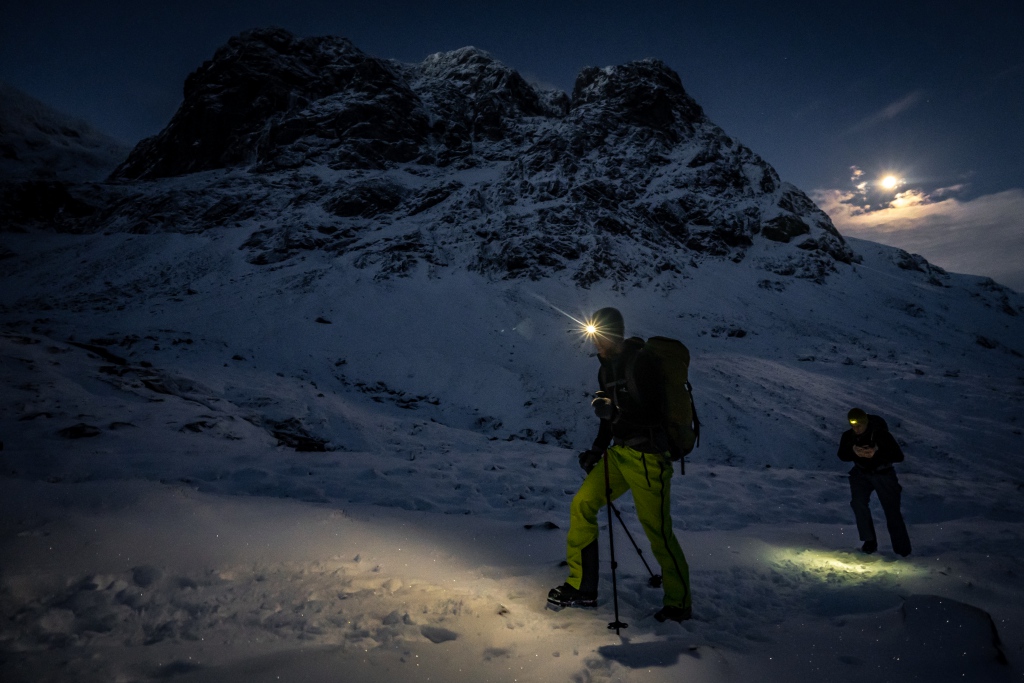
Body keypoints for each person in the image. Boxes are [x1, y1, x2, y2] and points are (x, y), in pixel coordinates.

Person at [547, 307, 692, 622]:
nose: (595, 344)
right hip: (619, 454)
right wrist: (597, 449)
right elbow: (609, 420)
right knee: (582, 504)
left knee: (658, 533)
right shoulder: (605, 370)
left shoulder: (641, 364)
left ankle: (679, 604)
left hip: (648, 459)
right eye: (592, 337)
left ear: (613, 334)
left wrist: (615, 415)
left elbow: (655, 415)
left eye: (599, 337)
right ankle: (583, 587)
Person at [837, 408, 912, 556]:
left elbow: (898, 456)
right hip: (861, 473)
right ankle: (869, 542)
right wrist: (854, 451)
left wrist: (877, 451)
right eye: (853, 426)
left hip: (883, 474)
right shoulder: (849, 436)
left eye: (859, 426)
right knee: (858, 504)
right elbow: (842, 454)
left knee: (892, 511)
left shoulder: (881, 435)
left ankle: (902, 550)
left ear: (866, 423)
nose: (856, 429)